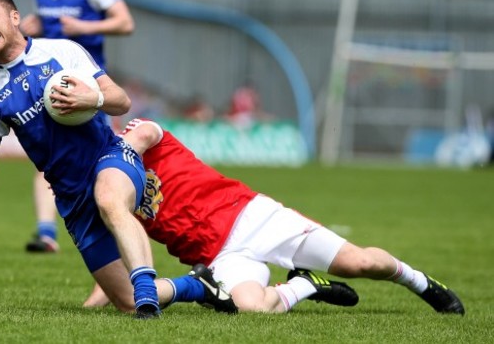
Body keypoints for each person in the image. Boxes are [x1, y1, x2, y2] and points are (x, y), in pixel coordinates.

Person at [0, 0, 236, 319]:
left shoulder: (61, 51)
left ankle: (147, 300)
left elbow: (120, 100)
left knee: (110, 200)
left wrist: (91, 98)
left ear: (14, 18)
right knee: (124, 301)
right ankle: (198, 286)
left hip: (109, 158)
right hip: (71, 198)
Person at [82, 118, 465, 315]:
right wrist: (98, 304)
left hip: (251, 217)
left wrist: (120, 152)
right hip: (220, 257)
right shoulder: (107, 192)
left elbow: (145, 135)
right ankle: (308, 285)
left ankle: (421, 283)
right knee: (251, 307)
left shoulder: (137, 133)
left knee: (362, 262)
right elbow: (120, 256)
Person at [19, 0, 136, 253]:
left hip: (89, 82)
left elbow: (125, 23)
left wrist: (86, 27)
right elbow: (51, 27)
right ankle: (46, 234)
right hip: (51, 82)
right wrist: (37, 28)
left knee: (99, 158)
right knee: (48, 158)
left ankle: (120, 222)